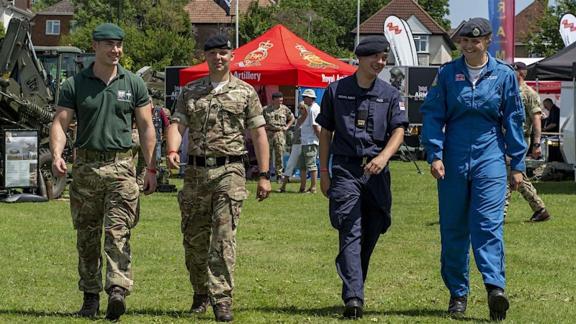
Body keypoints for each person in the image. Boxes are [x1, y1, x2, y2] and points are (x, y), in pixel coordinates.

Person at [420, 18, 526, 320]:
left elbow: (513, 121)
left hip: (490, 157)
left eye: (474, 41)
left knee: (487, 225)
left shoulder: (504, 76)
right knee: (453, 228)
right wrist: (435, 154)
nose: (468, 45)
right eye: (464, 41)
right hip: (452, 158)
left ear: (487, 41)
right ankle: (458, 294)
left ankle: (495, 289)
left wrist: (516, 164)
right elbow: (432, 115)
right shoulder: (447, 74)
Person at [49, 23, 157, 321]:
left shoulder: (133, 83)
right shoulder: (75, 84)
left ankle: (118, 289)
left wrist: (150, 167)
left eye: (119, 44)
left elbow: (147, 127)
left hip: (123, 167)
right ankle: (90, 296)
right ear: (94, 46)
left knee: (117, 230)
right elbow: (59, 123)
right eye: (109, 44)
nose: (116, 50)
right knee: (87, 236)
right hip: (85, 169)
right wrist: (57, 154)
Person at [165, 34, 271, 322]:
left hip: (230, 171)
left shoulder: (246, 92)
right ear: (206, 57)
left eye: (224, 52)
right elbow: (177, 123)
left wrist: (264, 174)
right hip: (196, 173)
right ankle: (201, 293)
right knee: (194, 239)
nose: (218, 58)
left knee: (223, 238)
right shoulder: (190, 91)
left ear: (231, 56)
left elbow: (259, 133)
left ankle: (222, 299)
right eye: (212, 53)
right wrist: (173, 148)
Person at [316, 35, 407, 319]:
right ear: (361, 58)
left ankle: (354, 282)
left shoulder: (391, 94)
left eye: (384, 58)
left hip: (377, 173)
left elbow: (399, 131)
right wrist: (324, 171)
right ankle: (354, 297)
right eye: (376, 58)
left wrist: (383, 157)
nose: (381, 63)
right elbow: (326, 134)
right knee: (350, 230)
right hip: (346, 170)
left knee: (373, 229)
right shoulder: (335, 91)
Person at [503, 62, 550, 222]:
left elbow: (537, 119)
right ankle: (540, 209)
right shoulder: (508, 91)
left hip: (521, 138)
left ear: (521, 73)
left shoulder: (529, 93)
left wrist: (537, 144)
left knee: (509, 173)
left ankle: (499, 214)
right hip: (506, 139)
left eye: (513, 70)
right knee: (518, 174)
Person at [263, 92, 295, 180]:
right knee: (267, 154)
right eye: (278, 100)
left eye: (281, 100)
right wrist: (263, 127)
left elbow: (292, 118)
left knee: (279, 154)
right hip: (269, 133)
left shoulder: (285, 109)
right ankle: (266, 173)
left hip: (280, 133)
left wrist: (287, 126)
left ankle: (279, 175)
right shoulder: (266, 109)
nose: (280, 102)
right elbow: (259, 120)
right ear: (273, 100)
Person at [278, 103, 305, 193]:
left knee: (304, 167)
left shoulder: (309, 119)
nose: (300, 110)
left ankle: (305, 187)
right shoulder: (298, 119)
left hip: (304, 144)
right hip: (296, 145)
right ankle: (283, 187)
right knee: (290, 165)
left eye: (302, 108)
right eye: (298, 108)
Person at [299, 88, 321, 193]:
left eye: (305, 97)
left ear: (311, 98)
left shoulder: (313, 109)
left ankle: (313, 187)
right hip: (306, 140)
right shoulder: (310, 108)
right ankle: (302, 187)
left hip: (310, 141)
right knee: (303, 166)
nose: (303, 99)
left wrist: (321, 140)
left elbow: (315, 126)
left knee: (311, 165)